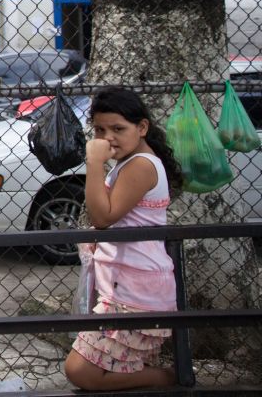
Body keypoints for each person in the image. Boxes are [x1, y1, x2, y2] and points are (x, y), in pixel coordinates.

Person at [64, 87, 183, 391]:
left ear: (141, 128)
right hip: (126, 286)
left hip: (136, 294)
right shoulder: (129, 162)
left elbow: (102, 217)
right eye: (101, 130)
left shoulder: (141, 165)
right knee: (117, 367)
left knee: (80, 371)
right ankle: (158, 380)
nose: (108, 137)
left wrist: (93, 162)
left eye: (118, 129)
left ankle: (170, 379)